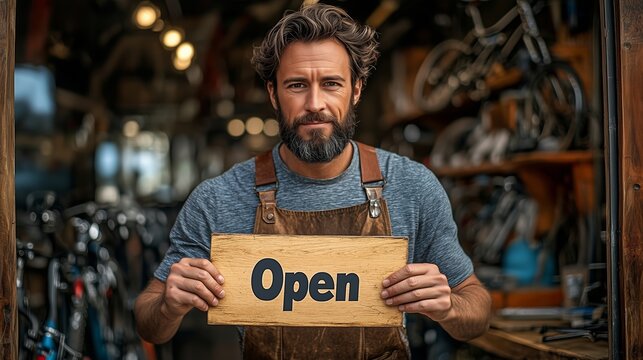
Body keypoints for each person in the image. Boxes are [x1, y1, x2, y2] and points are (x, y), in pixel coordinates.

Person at [135, 3, 491, 359]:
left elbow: (477, 312)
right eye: (297, 85)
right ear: (273, 93)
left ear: (356, 91)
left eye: (332, 83)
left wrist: (450, 308)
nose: (314, 103)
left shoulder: (412, 187)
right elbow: (148, 323)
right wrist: (168, 304)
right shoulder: (219, 198)